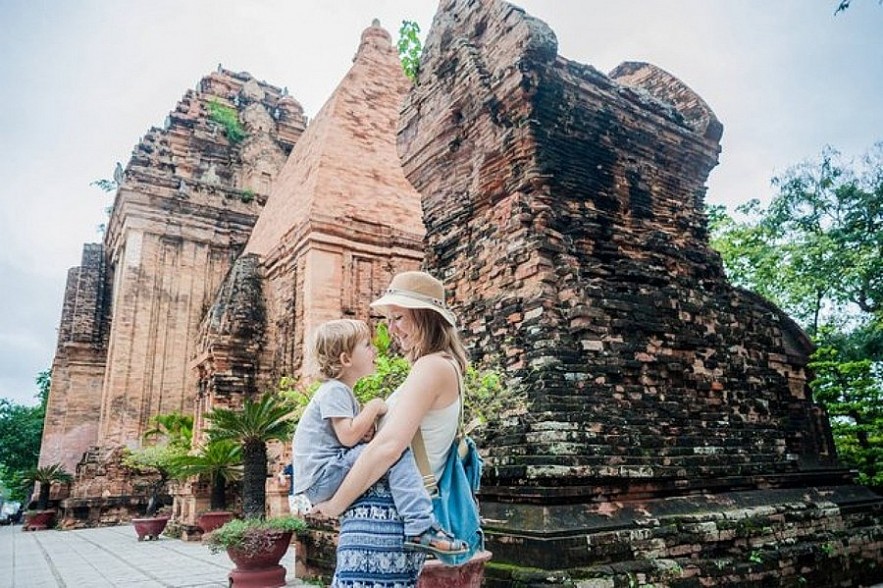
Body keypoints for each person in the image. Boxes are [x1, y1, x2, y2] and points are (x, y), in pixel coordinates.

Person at [311, 272, 471, 586]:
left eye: (399, 317)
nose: (391, 328)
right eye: (389, 319)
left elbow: (388, 448)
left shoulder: (433, 367)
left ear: (427, 319)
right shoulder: (432, 366)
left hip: (387, 516)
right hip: (385, 514)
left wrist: (335, 504)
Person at [292, 317, 467, 557]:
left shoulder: (339, 391)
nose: (375, 350)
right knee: (396, 450)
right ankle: (420, 525)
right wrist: (374, 407)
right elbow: (347, 437)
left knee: (388, 449)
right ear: (346, 359)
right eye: (367, 345)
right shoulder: (334, 390)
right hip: (323, 475)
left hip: (322, 476)